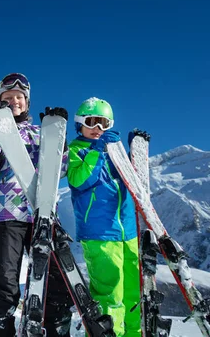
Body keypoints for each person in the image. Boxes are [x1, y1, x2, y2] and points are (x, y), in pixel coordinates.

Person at [0, 73, 73, 337]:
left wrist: (58, 138)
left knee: (56, 281)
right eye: (7, 98)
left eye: (19, 97)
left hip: (43, 215)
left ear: (27, 102)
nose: (15, 101)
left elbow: (60, 170)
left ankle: (56, 330)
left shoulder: (39, 133)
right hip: (4, 217)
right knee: (4, 284)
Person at [67, 97, 141, 337]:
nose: (98, 129)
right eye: (92, 122)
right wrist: (97, 152)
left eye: (104, 124)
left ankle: (133, 332)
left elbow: (132, 183)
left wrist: (133, 154)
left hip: (128, 230)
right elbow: (79, 180)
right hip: (100, 232)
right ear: (80, 124)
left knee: (133, 289)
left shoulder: (113, 150)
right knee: (110, 292)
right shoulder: (77, 149)